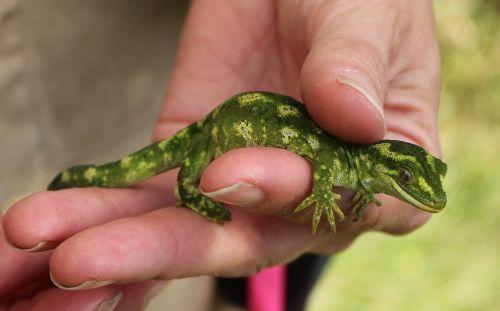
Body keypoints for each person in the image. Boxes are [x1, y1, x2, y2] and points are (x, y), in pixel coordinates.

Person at [0, 1, 442, 309]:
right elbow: (321, 164)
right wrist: (325, 196)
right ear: (385, 166)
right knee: (141, 178)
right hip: (208, 130)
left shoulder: (359, 167)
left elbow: (332, 164)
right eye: (405, 179)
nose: (413, 189)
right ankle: (182, 194)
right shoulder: (344, 160)